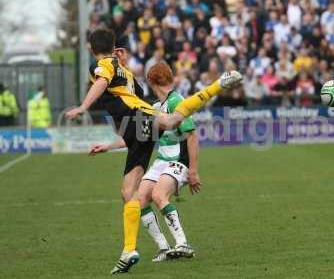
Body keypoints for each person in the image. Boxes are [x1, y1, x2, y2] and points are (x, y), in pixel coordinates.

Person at [65, 27, 242, 275]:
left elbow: (104, 81)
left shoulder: (103, 65)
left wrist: (83, 106)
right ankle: (129, 251)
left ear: (91, 49)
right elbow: (129, 91)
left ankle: (217, 85)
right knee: (128, 193)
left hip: (137, 119)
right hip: (136, 130)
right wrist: (108, 145)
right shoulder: (122, 70)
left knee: (171, 122)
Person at [90, 69, 201, 262]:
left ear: (151, 82)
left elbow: (191, 135)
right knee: (139, 198)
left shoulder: (176, 101)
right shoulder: (155, 106)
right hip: (161, 162)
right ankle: (164, 248)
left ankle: (183, 243)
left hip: (178, 161)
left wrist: (193, 170)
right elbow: (135, 137)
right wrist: (108, 146)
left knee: (158, 195)